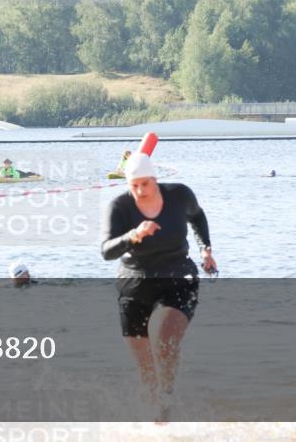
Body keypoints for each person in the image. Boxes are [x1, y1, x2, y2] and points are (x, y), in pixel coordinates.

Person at [101, 152, 216, 420]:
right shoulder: (119, 207)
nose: (141, 191)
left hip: (178, 278)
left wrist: (205, 249)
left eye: (146, 184)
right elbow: (106, 251)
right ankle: (153, 421)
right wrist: (133, 235)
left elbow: (198, 217)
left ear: (155, 179)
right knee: (145, 371)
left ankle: (166, 402)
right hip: (134, 284)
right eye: (134, 186)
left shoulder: (179, 195)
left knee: (163, 337)